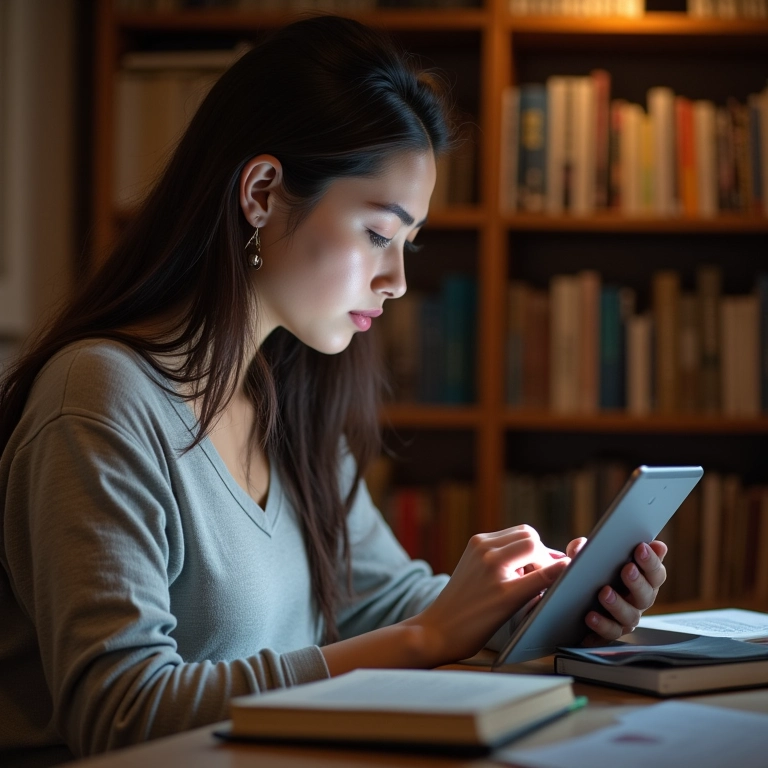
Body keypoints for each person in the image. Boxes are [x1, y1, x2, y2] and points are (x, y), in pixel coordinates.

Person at [0, 15, 667, 765]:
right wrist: (422, 641)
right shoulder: (97, 398)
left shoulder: (284, 396)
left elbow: (385, 602)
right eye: (380, 235)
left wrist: (552, 607)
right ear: (261, 192)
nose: (399, 281)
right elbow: (120, 713)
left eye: (407, 245)